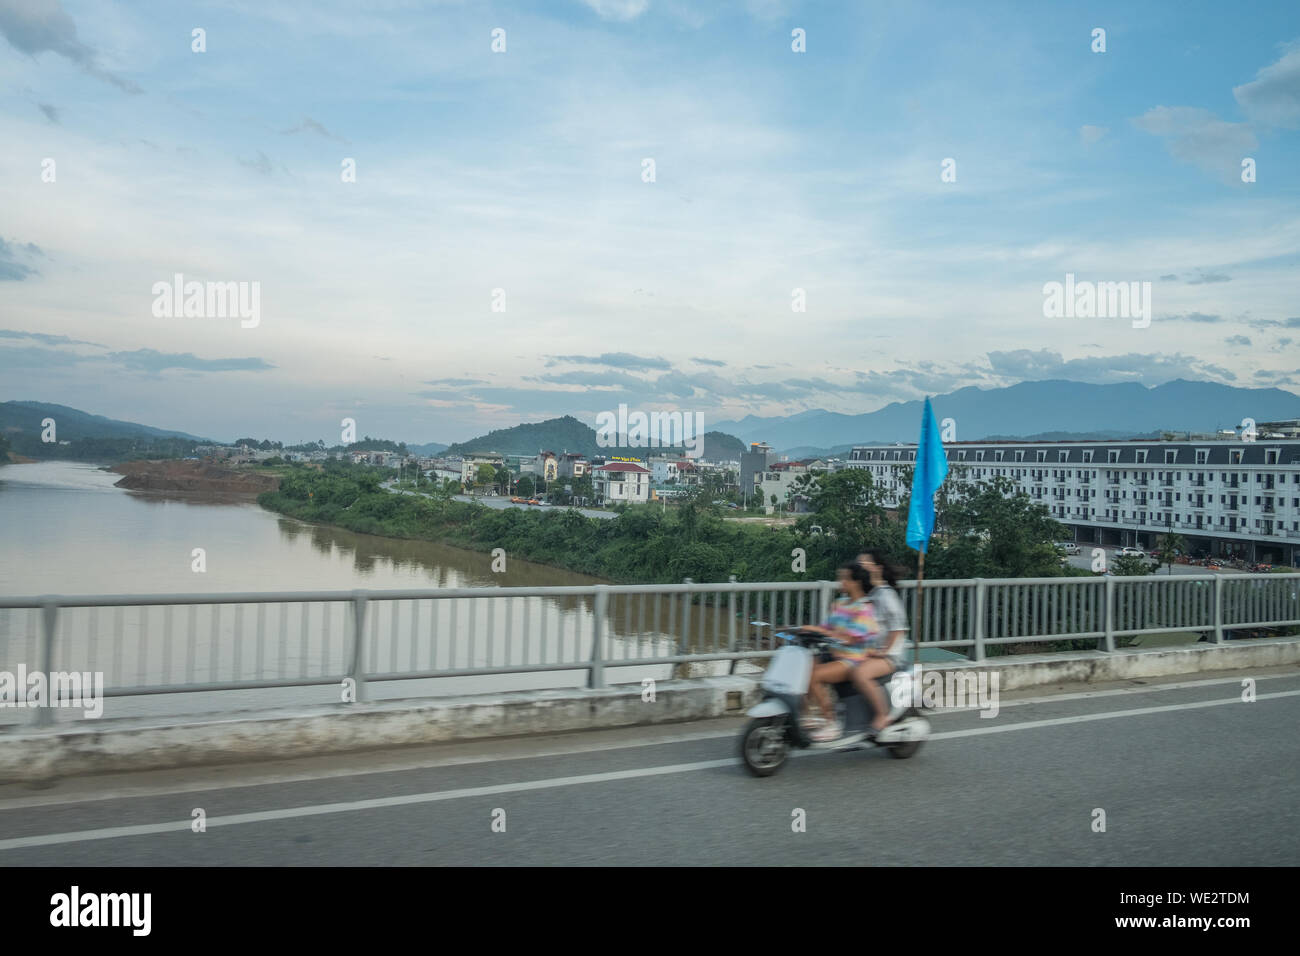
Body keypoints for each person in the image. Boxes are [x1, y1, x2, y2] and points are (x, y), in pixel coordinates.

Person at [799, 562, 881, 742]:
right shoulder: (840, 603)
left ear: (856, 582)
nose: (840, 582)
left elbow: (850, 638)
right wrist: (807, 629)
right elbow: (826, 627)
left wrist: (823, 632)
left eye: (844, 578)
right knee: (802, 667)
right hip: (834, 654)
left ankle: (831, 720)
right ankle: (805, 714)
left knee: (815, 675)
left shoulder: (865, 608)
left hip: (854, 659)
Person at [853, 549, 909, 733]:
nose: (860, 568)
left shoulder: (886, 595)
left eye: (864, 564)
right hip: (870, 651)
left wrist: (883, 652)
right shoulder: (871, 594)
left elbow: (898, 629)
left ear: (877, 568)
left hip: (890, 656)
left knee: (861, 674)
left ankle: (882, 715)